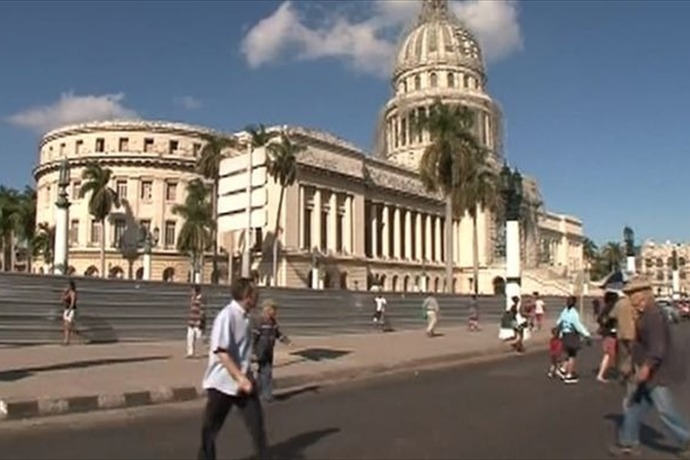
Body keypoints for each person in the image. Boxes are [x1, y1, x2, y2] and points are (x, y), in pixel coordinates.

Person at [610, 276, 690, 458]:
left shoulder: (653, 315)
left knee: (665, 410)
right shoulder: (646, 314)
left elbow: (657, 347)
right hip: (649, 370)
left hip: (656, 373)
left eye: (632, 294)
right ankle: (628, 444)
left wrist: (646, 367)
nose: (630, 299)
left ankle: (686, 439)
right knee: (634, 406)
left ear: (643, 294)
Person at [197, 278, 268, 460]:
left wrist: (248, 373)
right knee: (210, 431)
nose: (258, 296)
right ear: (246, 296)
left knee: (257, 426)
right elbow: (222, 352)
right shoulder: (227, 316)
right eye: (255, 293)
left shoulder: (245, 317)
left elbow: (242, 350)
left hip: (243, 382)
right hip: (222, 383)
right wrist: (240, 378)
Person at [253, 299, 290, 403]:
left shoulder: (273, 322)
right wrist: (252, 352)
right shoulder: (260, 321)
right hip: (261, 351)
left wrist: (286, 341)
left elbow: (278, 334)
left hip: (269, 350)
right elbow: (253, 337)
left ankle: (258, 393)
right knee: (266, 372)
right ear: (267, 309)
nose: (275, 312)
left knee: (262, 372)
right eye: (273, 309)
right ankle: (267, 395)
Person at [555, 295, 591, 384]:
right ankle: (569, 375)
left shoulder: (564, 311)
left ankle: (563, 368)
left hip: (565, 334)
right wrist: (587, 334)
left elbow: (559, 322)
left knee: (567, 352)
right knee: (572, 355)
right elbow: (578, 326)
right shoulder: (574, 313)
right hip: (572, 335)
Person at [596, 291, 619, 383]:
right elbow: (613, 318)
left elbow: (599, 319)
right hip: (611, 333)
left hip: (605, 333)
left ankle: (601, 374)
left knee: (608, 354)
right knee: (610, 355)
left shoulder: (605, 308)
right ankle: (601, 374)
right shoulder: (613, 308)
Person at [187, 285, 206, 358]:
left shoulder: (201, 299)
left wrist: (200, 320)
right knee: (190, 337)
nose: (192, 292)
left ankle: (200, 351)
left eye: (193, 291)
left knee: (199, 337)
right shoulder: (192, 298)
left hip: (197, 321)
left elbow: (202, 311)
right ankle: (190, 353)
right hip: (191, 321)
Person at [61, 280, 78, 346]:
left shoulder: (73, 293)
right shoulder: (67, 293)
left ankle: (66, 341)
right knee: (65, 326)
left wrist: (69, 311)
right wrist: (64, 293)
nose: (67, 286)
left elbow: (72, 303)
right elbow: (62, 299)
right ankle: (66, 339)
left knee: (67, 325)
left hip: (70, 310)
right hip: (66, 309)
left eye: (68, 285)